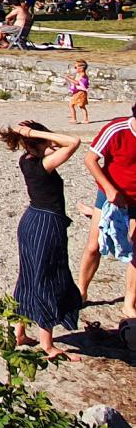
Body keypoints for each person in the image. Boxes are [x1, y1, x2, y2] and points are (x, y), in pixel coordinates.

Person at [0, 121, 83, 359]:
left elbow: (60, 144)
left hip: (31, 220)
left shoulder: (26, 160)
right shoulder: (43, 165)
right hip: (47, 223)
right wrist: (35, 133)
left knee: (27, 276)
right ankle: (48, 344)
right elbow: (74, 142)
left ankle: (19, 332)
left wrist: (35, 138)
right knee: (48, 277)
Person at [78, 106, 136, 320]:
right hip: (110, 195)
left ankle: (129, 303)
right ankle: (82, 291)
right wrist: (110, 190)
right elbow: (90, 160)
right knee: (94, 245)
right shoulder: (117, 129)